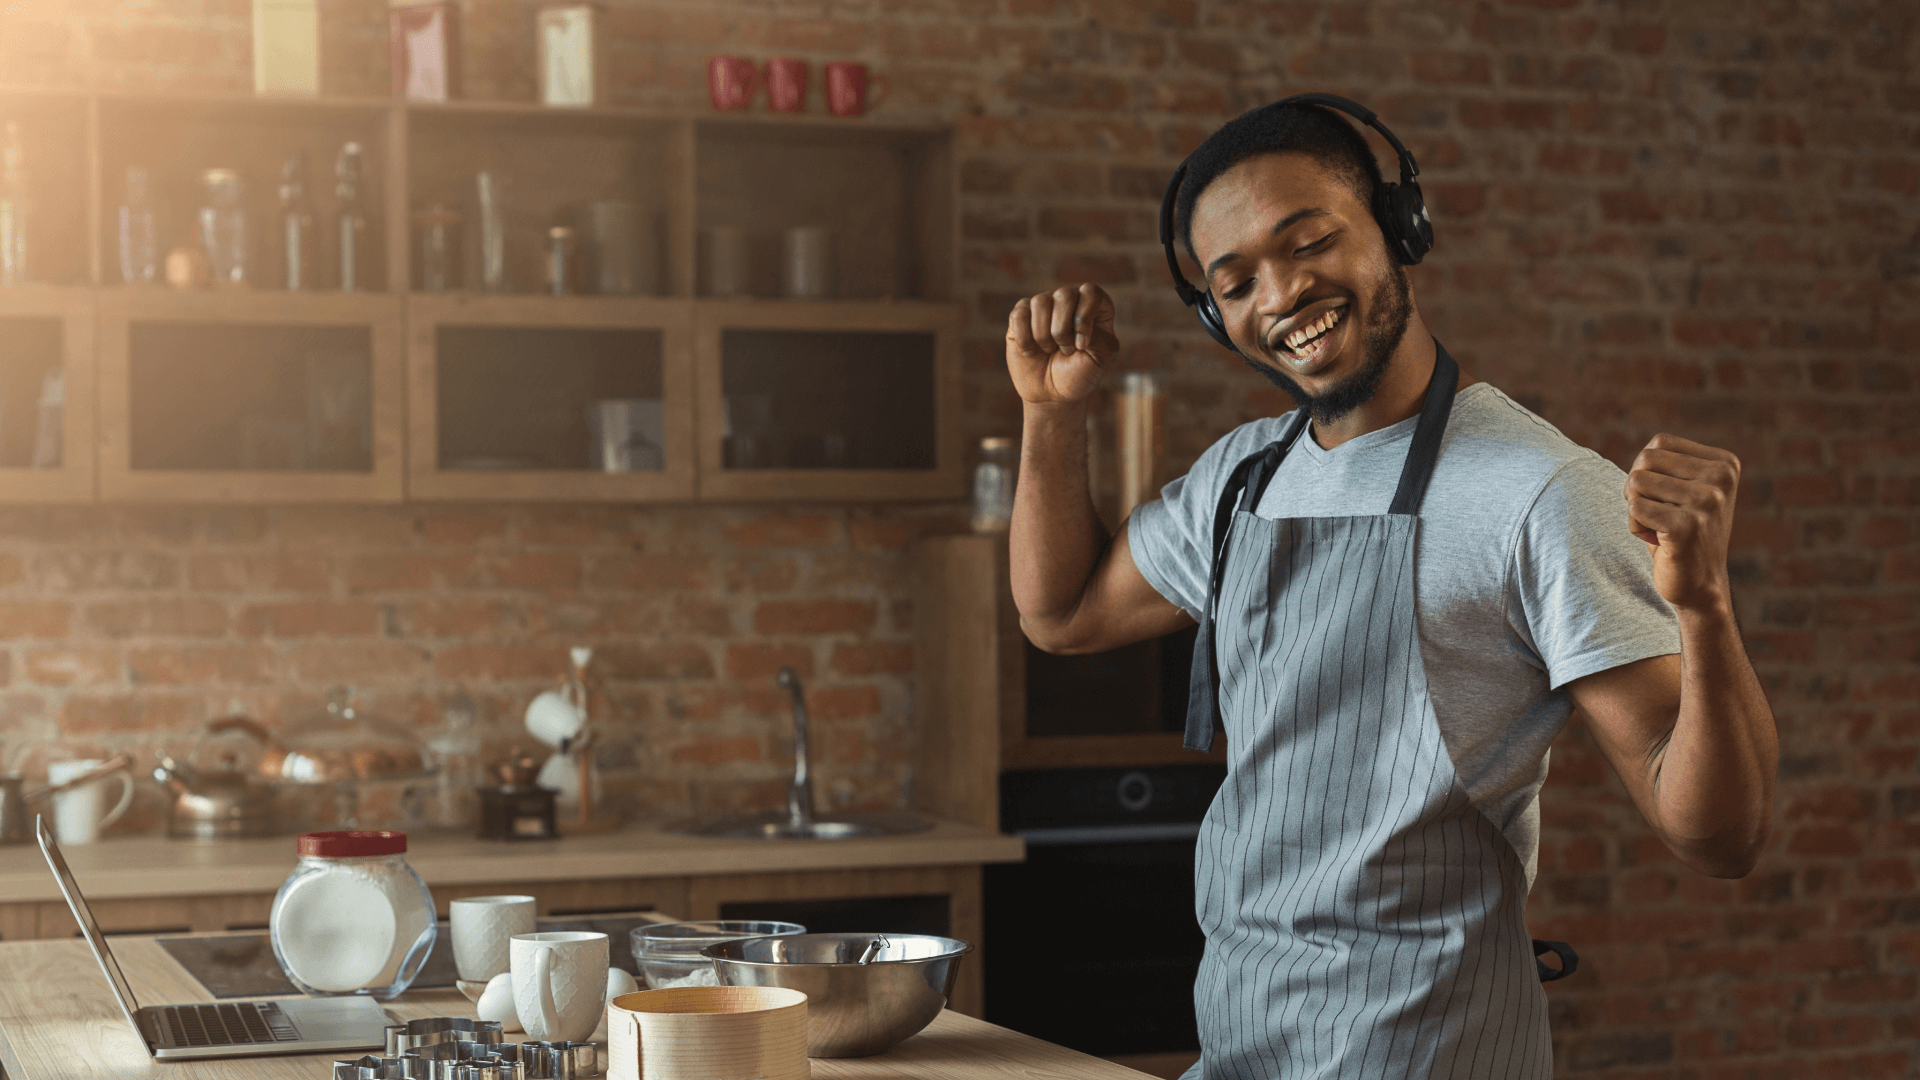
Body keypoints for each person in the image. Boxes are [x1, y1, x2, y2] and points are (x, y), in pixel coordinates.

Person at [1002, 96, 1778, 1079]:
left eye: (1310, 239)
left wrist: (1704, 609)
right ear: (1215, 315)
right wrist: (1050, 412)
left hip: (1427, 1054)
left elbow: (1718, 834)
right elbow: (1060, 614)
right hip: (1246, 1044)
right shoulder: (1244, 479)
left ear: (1398, 230)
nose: (1280, 293)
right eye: (1235, 281)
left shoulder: (1535, 491)